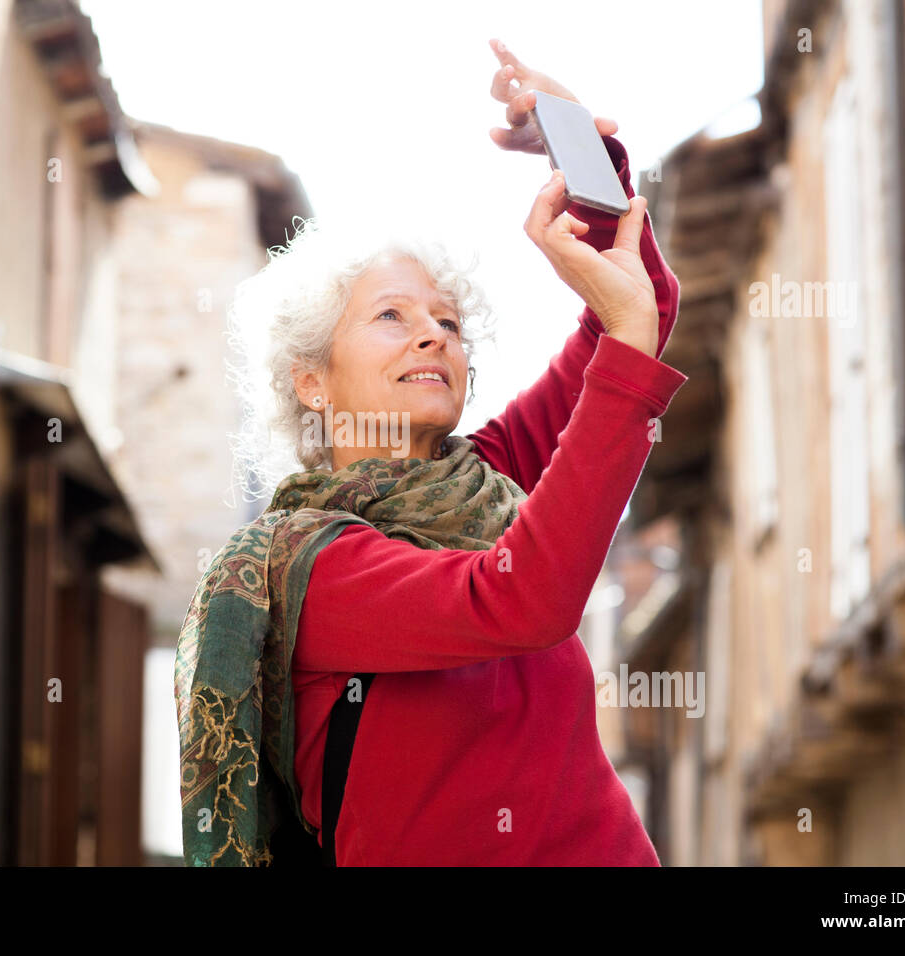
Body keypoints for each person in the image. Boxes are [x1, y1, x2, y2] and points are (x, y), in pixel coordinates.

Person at [176, 39, 686, 866]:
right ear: (312, 381)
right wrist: (626, 341)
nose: (432, 333)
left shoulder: (492, 473)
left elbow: (640, 311)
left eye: (448, 323)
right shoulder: (312, 568)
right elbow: (521, 601)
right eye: (392, 317)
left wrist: (581, 155)